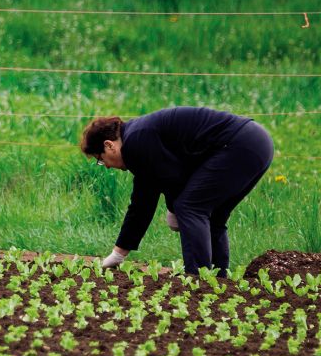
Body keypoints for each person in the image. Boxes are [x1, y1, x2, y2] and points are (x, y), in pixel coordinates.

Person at [81, 108, 274, 277]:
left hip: (239, 145)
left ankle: (198, 280)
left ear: (109, 145)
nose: (105, 166)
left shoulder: (137, 141)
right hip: (256, 143)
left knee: (190, 207)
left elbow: (172, 178)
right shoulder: (137, 140)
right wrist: (118, 254)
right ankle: (217, 281)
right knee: (212, 215)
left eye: (100, 159)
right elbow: (143, 202)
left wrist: (175, 209)